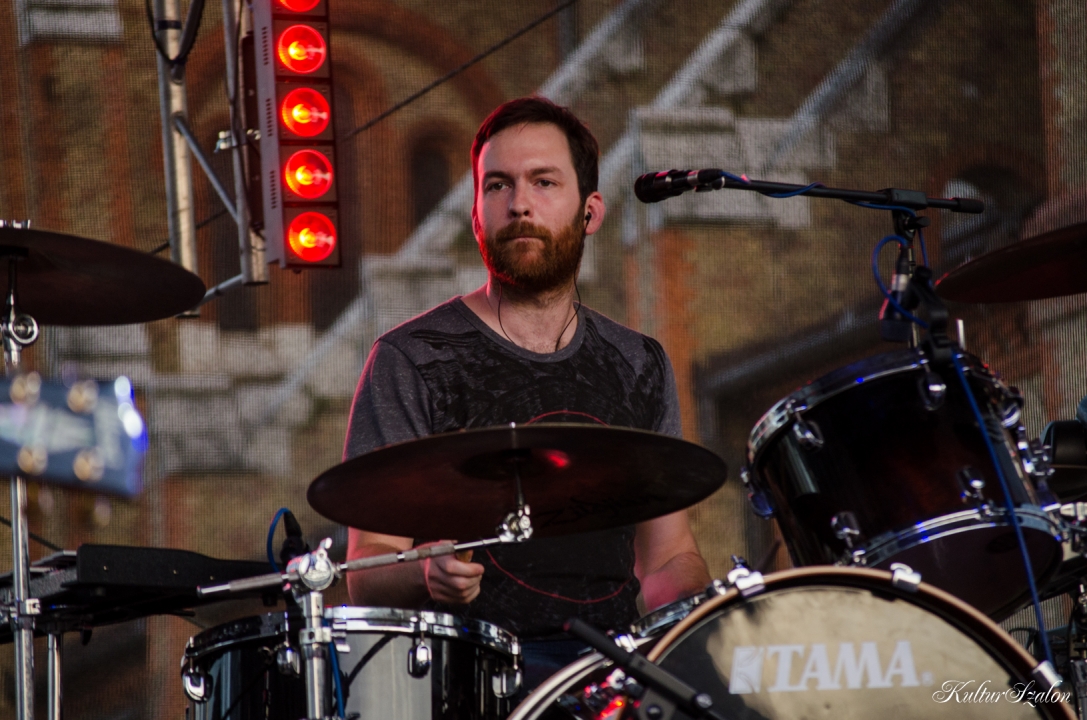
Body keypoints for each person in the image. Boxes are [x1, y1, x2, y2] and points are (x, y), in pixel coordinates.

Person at [344, 96, 711, 690]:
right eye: (498, 185)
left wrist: (708, 612)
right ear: (476, 215)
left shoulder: (638, 363)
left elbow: (667, 557)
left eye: (544, 182)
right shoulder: (412, 358)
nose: (519, 203)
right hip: (474, 679)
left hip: (613, 677)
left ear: (590, 212)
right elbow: (366, 569)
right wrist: (426, 574)